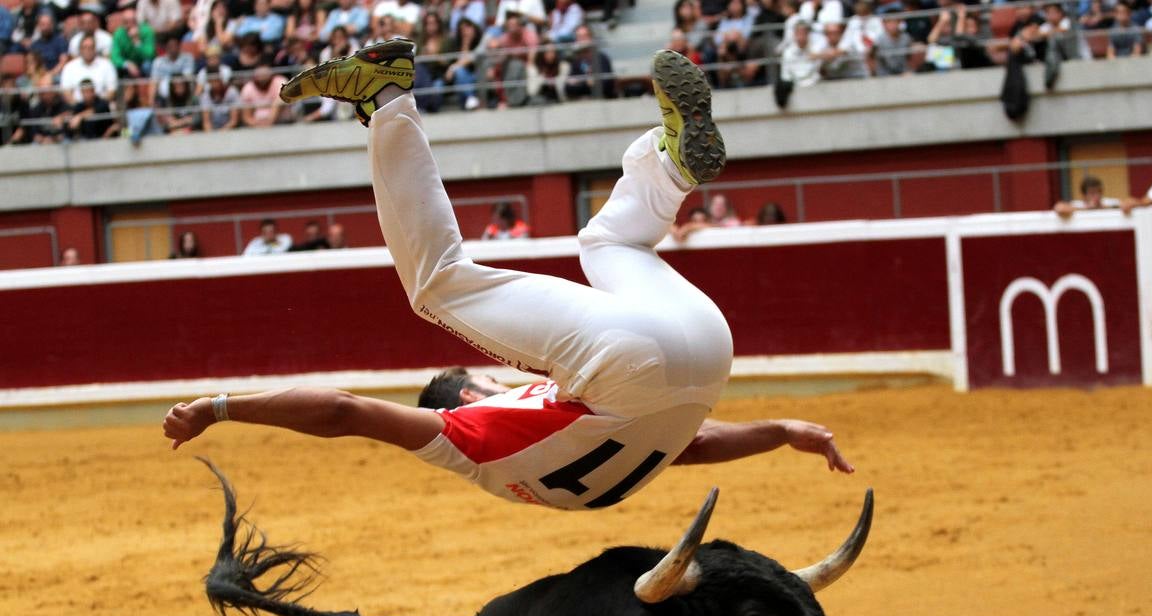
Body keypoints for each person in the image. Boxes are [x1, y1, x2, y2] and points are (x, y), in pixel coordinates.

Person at [166, 44, 853, 511]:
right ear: (469, 393)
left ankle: (670, 167)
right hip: (630, 363)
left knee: (612, 243)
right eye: (489, 380)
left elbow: (689, 444)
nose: (500, 379)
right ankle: (385, 98)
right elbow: (344, 411)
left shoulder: (513, 469)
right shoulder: (461, 429)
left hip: (707, 359)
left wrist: (780, 430)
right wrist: (219, 407)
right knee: (435, 286)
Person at [1053, 175, 1120, 216]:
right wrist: (1087, 209)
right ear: (1084, 195)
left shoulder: (1108, 202)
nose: (1097, 195)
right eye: (1092, 193)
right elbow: (1059, 208)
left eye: (1099, 191)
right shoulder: (1077, 204)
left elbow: (1125, 203)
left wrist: (1104, 208)